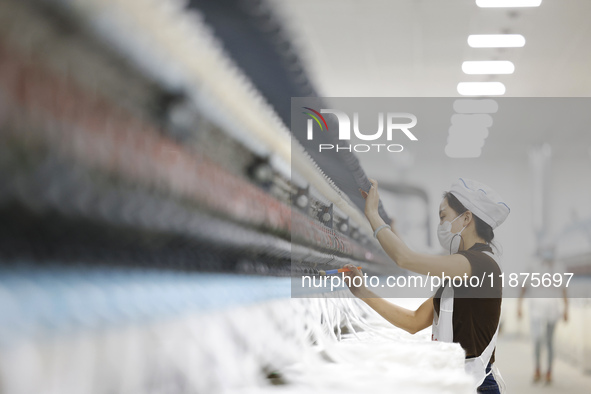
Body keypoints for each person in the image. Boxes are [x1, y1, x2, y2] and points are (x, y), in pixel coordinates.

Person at [344, 178, 510, 393]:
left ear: (466, 218)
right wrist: (363, 292)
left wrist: (373, 216)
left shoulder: (480, 264)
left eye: (443, 217)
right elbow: (414, 322)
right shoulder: (459, 275)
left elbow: (405, 258)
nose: (441, 225)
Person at [517, 249, 568, 385]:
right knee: (537, 340)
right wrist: (519, 306)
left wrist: (566, 309)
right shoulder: (533, 267)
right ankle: (537, 369)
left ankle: (549, 371)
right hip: (536, 310)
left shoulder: (558, 268)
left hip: (553, 310)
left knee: (550, 342)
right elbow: (523, 286)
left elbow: (564, 289)